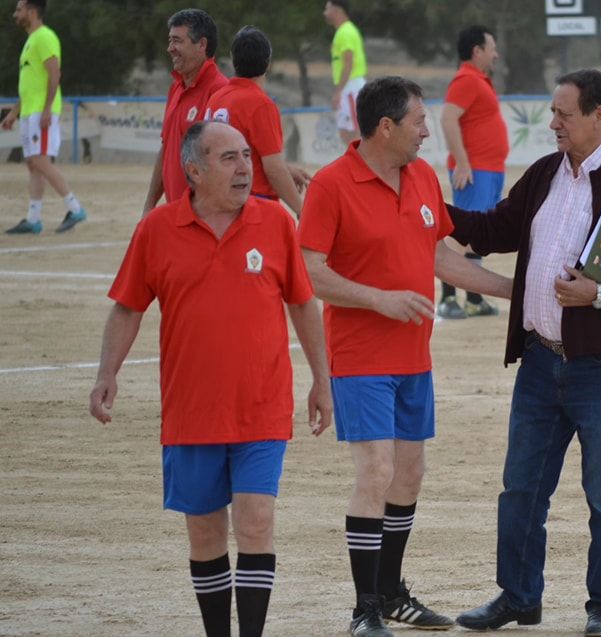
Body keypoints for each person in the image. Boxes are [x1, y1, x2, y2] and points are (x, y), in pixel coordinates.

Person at [449, 69, 601, 637]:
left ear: (598, 117)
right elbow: (493, 227)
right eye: (552, 113)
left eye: (563, 114)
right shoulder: (545, 174)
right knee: (520, 490)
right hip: (539, 363)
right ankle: (518, 598)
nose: (552, 123)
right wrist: (426, 208)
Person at [89, 121, 333, 637]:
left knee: (256, 524)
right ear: (193, 171)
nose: (246, 167)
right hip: (191, 411)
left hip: (261, 407)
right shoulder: (156, 230)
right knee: (204, 536)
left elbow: (303, 303)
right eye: (229, 158)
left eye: (247, 155)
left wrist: (322, 379)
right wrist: (106, 372)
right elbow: (128, 308)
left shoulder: (274, 223)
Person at [298, 76, 512, 637]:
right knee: (376, 471)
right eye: (419, 121)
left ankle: (391, 594)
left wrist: (515, 290)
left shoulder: (420, 175)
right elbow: (311, 271)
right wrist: (379, 299)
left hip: (414, 358)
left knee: (409, 476)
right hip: (360, 356)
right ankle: (364, 608)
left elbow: (440, 257)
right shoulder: (330, 184)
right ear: (386, 126)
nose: (427, 131)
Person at [437, 24, 508, 319]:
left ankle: (475, 299)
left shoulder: (477, 80)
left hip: (488, 169)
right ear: (477, 51)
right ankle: (449, 298)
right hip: (475, 170)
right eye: (491, 48)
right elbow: (447, 119)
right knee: (460, 235)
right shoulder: (466, 80)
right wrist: (464, 162)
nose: (496, 54)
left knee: (476, 233)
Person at [205, 26, 310, 216]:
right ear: (268, 63)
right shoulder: (261, 105)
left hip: (219, 201)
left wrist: (286, 168)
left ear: (233, 58)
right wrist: (301, 210)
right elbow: (273, 169)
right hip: (253, 204)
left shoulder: (217, 98)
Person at [2, 0, 87, 235]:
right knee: (32, 164)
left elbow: (54, 73)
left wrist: (48, 108)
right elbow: (30, 85)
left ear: (31, 11)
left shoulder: (44, 36)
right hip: (30, 111)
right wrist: (14, 113)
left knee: (39, 161)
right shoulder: (31, 41)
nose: (15, 14)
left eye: (19, 9)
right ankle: (34, 219)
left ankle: (75, 208)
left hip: (41, 111)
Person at [143, 8, 228, 215]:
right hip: (178, 216)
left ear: (202, 45)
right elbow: (166, 149)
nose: (170, 48)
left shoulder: (219, 92)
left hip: (205, 218)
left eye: (177, 41)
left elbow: (225, 160)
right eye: (170, 41)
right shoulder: (176, 88)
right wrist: (149, 207)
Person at [323, 0, 367, 146]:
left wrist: (339, 91)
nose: (325, 13)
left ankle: (360, 166)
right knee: (346, 131)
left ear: (338, 10)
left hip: (351, 87)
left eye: (327, 8)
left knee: (354, 132)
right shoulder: (344, 31)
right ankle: (355, 165)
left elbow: (349, 63)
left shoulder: (345, 32)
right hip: (349, 87)